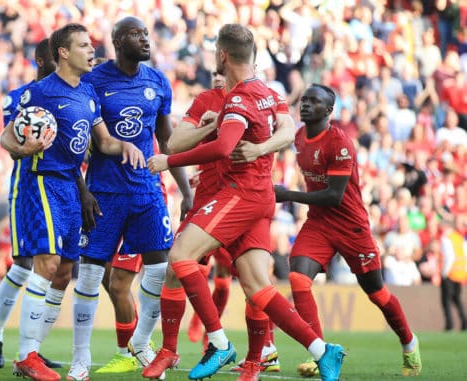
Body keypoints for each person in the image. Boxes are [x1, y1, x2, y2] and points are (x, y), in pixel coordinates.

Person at [147, 24, 345, 381]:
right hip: (250, 196)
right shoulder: (265, 95)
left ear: (223, 56)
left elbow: (220, 147)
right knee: (257, 286)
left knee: (179, 258)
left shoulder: (239, 99)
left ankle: (221, 344)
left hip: (238, 194)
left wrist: (169, 163)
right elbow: (282, 128)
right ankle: (322, 349)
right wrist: (218, 125)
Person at [0, 23, 144, 381]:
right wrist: (24, 148)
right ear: (63, 52)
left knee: (64, 272)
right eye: (83, 45)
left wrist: (123, 145)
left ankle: (33, 350)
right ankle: (26, 354)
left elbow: (103, 142)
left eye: (91, 45)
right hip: (42, 182)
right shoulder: (41, 92)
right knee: (46, 265)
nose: (91, 51)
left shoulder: (88, 94)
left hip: (69, 187)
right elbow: (6, 137)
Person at [144, 66, 288, 379]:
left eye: (223, 71)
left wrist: (257, 146)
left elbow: (286, 132)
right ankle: (170, 349)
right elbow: (177, 141)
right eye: (214, 73)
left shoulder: (260, 98)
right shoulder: (205, 100)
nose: (218, 77)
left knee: (252, 282)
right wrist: (213, 126)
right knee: (176, 268)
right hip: (208, 197)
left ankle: (259, 353)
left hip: (241, 198)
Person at [68, 16, 193, 380]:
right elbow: (79, 144)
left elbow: (168, 143)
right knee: (91, 276)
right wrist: (83, 190)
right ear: (119, 41)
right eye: (136, 34)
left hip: (148, 191)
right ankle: (81, 359)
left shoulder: (157, 81)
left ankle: (141, 341)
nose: (145, 38)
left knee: (160, 266)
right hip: (105, 193)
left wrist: (185, 190)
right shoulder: (93, 81)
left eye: (146, 33)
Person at [273, 84, 421, 377]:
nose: (305, 105)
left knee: (377, 294)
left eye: (314, 102)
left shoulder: (340, 144)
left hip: (350, 225)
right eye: (304, 100)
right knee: (298, 279)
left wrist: (288, 194)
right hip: (318, 223)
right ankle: (320, 354)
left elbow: (334, 196)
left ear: (329, 111)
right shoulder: (299, 138)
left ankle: (408, 341)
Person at [0, 38, 62, 371]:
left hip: (61, 189)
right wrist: (27, 146)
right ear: (43, 60)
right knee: (24, 262)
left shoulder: (68, 93)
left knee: (56, 266)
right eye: (56, 58)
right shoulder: (18, 99)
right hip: (26, 186)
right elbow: (12, 145)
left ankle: (32, 347)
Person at [439, 213, 467, 331]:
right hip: (460, 273)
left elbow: (450, 257)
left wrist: (444, 273)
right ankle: (464, 322)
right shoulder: (459, 238)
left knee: (446, 301)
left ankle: (449, 325)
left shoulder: (447, 238)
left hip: (450, 273)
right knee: (457, 299)